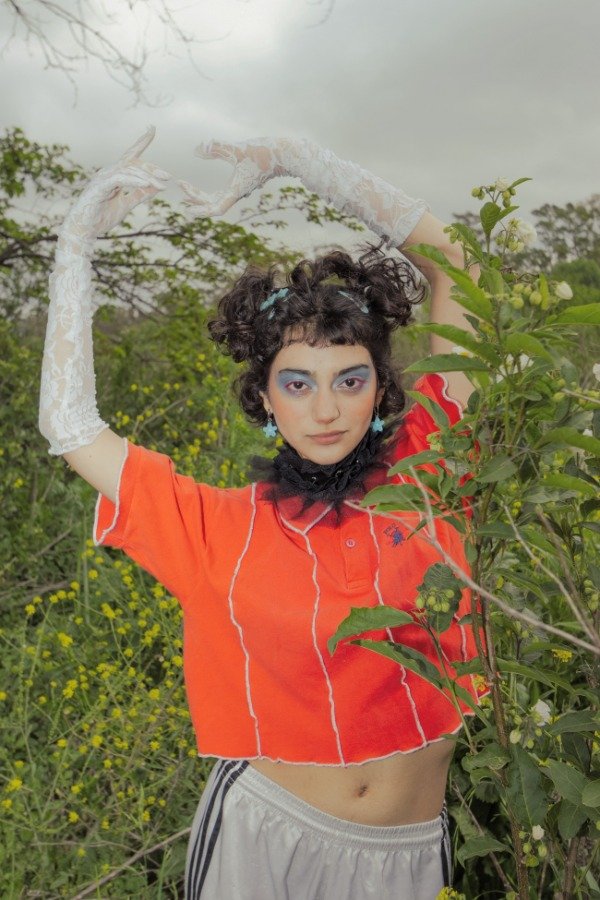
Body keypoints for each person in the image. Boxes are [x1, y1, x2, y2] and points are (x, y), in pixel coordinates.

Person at [39, 126, 490, 899]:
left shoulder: (436, 464)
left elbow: (459, 265)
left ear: (382, 386)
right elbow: (72, 428)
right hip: (264, 837)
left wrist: (299, 159)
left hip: (410, 854)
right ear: (265, 398)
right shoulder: (218, 525)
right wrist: (74, 247)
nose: (326, 409)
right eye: (297, 383)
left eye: (350, 380)